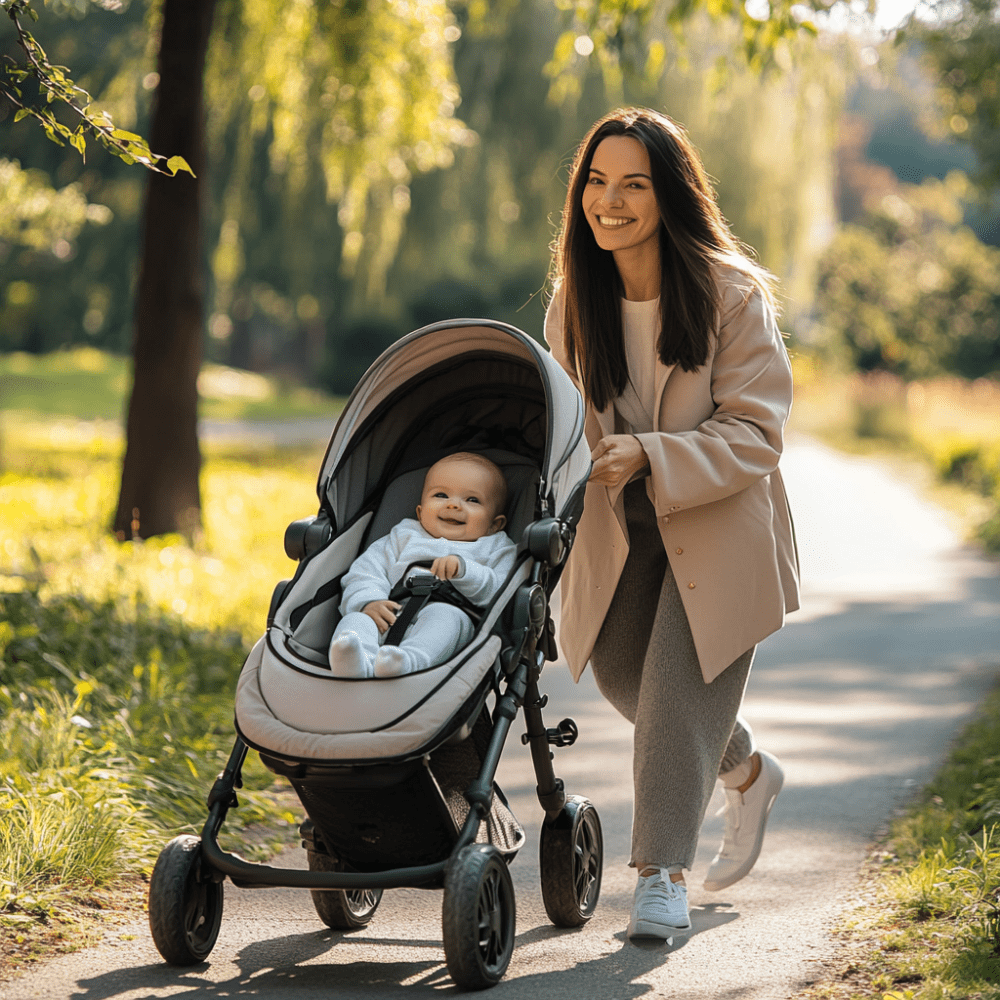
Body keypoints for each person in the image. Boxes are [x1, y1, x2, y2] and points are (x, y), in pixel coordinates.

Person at [544, 107, 799, 940]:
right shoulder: (572, 302)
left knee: (675, 698)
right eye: (596, 182)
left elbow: (757, 432)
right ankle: (747, 771)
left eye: (633, 185)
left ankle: (660, 878)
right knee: (630, 680)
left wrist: (653, 454)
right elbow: (561, 425)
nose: (608, 202)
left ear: (671, 194)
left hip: (718, 527)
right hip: (622, 531)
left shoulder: (731, 293)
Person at [329, 452, 517, 678]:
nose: (453, 505)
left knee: (445, 617)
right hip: (391, 613)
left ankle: (408, 662)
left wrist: (465, 571)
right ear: (420, 512)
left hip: (450, 622)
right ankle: (356, 661)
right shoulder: (402, 535)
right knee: (356, 620)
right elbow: (367, 571)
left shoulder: (495, 546)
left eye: (472, 500)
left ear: (495, 524)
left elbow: (501, 591)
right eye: (441, 495)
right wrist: (369, 602)